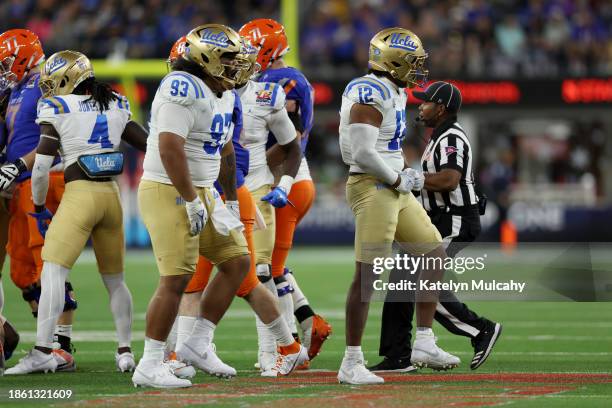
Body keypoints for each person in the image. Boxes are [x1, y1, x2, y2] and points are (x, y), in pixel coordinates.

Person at [132, 24, 305, 389]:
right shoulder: (181, 86)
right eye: (228, 57)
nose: (237, 64)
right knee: (177, 278)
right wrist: (192, 199)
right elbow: (169, 148)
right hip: (168, 188)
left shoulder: (223, 92)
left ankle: (196, 343)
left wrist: (225, 199)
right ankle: (149, 362)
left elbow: (225, 151)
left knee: (238, 262)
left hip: (206, 191)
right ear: (205, 57)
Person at [4, 50, 146, 375]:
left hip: (80, 194)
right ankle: (125, 352)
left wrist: (39, 207)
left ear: (67, 78)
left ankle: (43, 351)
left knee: (53, 272)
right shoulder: (115, 102)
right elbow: (148, 145)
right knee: (115, 281)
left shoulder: (57, 107)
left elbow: (40, 168)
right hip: (111, 196)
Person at [337, 27, 461, 385]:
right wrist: (397, 178)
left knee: (433, 251)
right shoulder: (369, 92)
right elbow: (361, 153)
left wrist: (403, 172)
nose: (418, 69)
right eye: (412, 62)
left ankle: (423, 341)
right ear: (392, 62)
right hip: (373, 185)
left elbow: (385, 147)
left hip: (392, 183)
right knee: (367, 276)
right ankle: (351, 361)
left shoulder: (393, 90)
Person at [370, 82, 502, 372]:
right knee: (400, 281)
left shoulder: (451, 137)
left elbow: (449, 179)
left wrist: (412, 179)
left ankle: (480, 330)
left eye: (426, 102)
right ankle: (397, 356)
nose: (420, 106)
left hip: (454, 218)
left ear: (441, 108)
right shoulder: (438, 136)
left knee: (420, 282)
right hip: (436, 217)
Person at [239, 19, 332, 366]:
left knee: (263, 272)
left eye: (250, 49)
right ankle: (306, 324)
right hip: (284, 181)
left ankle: (282, 350)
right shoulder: (267, 79)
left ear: (267, 49)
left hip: (283, 181)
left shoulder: (283, 81)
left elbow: (288, 140)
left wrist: (252, 167)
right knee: (272, 269)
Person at [0, 28, 77, 370]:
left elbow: (57, 134)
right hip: (19, 184)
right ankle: (46, 344)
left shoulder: (46, 80)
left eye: (6, 61)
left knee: (49, 262)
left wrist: (19, 165)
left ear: (25, 55)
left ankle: (59, 346)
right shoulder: (16, 88)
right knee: (22, 269)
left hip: (43, 179)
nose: (3, 69)